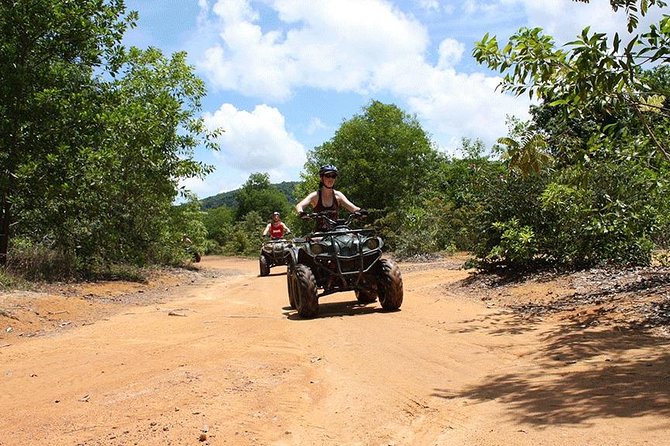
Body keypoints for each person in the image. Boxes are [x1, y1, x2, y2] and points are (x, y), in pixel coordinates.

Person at [295, 164, 366, 232]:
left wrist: (361, 211)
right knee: (316, 242)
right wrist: (302, 213)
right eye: (328, 175)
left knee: (354, 241)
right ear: (321, 178)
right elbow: (299, 206)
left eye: (333, 176)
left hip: (336, 231)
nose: (331, 178)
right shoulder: (315, 196)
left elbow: (353, 208)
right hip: (320, 234)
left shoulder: (338, 195)